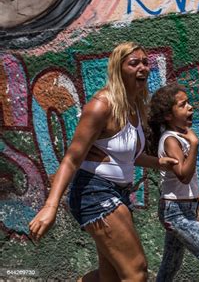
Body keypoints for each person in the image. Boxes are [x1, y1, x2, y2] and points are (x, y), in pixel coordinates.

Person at [29, 42, 178, 282]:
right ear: (119, 69)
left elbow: (126, 155)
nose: (143, 68)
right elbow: (72, 158)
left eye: (145, 62)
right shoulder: (101, 106)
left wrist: (159, 163)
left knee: (109, 277)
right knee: (136, 272)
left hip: (118, 192)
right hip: (94, 191)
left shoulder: (136, 106)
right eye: (134, 63)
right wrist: (50, 206)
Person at [147, 83, 199, 282]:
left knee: (170, 266)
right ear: (168, 116)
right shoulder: (171, 140)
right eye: (182, 105)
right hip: (177, 211)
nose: (190, 107)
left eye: (188, 103)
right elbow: (183, 175)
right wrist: (195, 144)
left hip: (181, 208)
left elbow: (184, 181)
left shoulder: (178, 138)